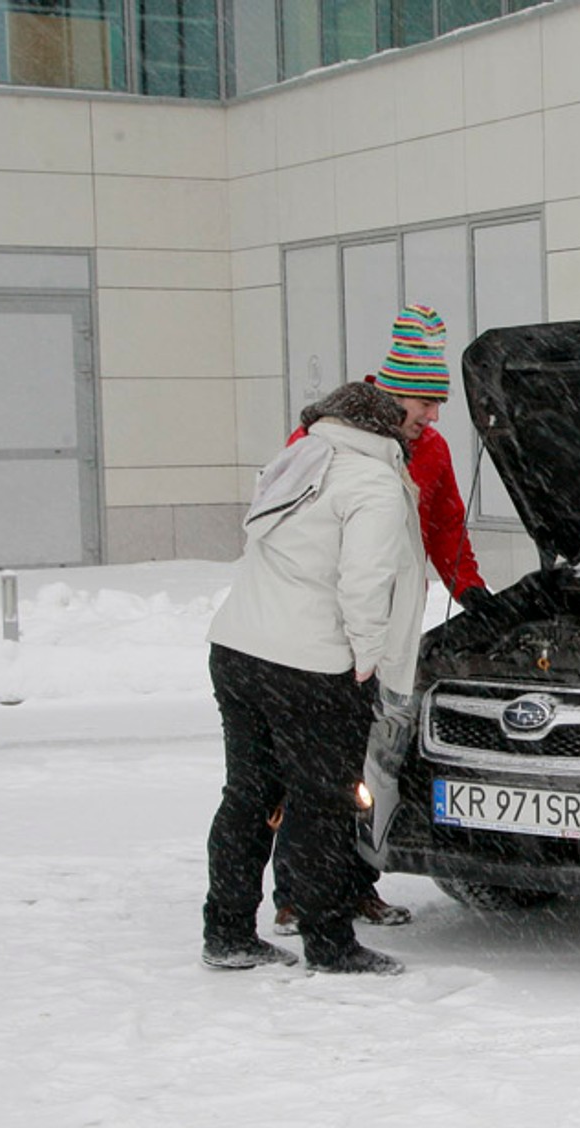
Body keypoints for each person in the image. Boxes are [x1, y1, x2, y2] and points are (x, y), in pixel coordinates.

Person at [269, 304, 485, 936]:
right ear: (391, 392)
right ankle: (295, 892)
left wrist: (467, 586)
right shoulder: (320, 443)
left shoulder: (433, 450)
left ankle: (358, 883)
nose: (434, 417)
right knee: (312, 768)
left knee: (374, 767)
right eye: (425, 401)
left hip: (391, 629)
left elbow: (444, 525)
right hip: (323, 630)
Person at [201, 375, 427, 975]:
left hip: (237, 650)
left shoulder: (295, 460)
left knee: (248, 795)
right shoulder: (375, 483)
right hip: (310, 665)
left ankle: (226, 931)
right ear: (379, 430)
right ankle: (330, 942)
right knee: (322, 803)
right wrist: (367, 661)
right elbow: (365, 583)